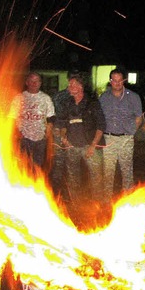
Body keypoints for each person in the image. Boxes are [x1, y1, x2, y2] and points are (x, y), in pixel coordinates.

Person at [55, 72, 106, 214]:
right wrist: (64, 137)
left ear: (81, 86)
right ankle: (76, 204)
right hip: (72, 147)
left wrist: (93, 146)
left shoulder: (92, 103)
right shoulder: (67, 104)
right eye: (69, 84)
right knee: (72, 177)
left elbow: (101, 125)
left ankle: (98, 205)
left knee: (96, 177)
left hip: (89, 147)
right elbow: (63, 123)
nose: (69, 87)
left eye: (73, 84)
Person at [99, 68, 143, 202]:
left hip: (126, 138)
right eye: (114, 80)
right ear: (110, 81)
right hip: (109, 138)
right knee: (108, 172)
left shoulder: (133, 97)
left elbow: (138, 117)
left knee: (127, 171)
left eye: (120, 80)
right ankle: (106, 202)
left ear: (123, 81)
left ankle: (127, 201)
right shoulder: (104, 97)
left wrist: (131, 132)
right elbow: (99, 118)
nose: (117, 83)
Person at [11, 72, 56, 174]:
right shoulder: (19, 98)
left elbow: (51, 117)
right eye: (31, 81)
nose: (34, 83)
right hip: (24, 139)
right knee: (23, 166)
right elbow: (12, 117)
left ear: (40, 83)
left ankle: (35, 186)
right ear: (27, 82)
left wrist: (47, 132)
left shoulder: (46, 99)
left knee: (38, 166)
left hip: (40, 139)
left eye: (37, 81)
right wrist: (17, 133)